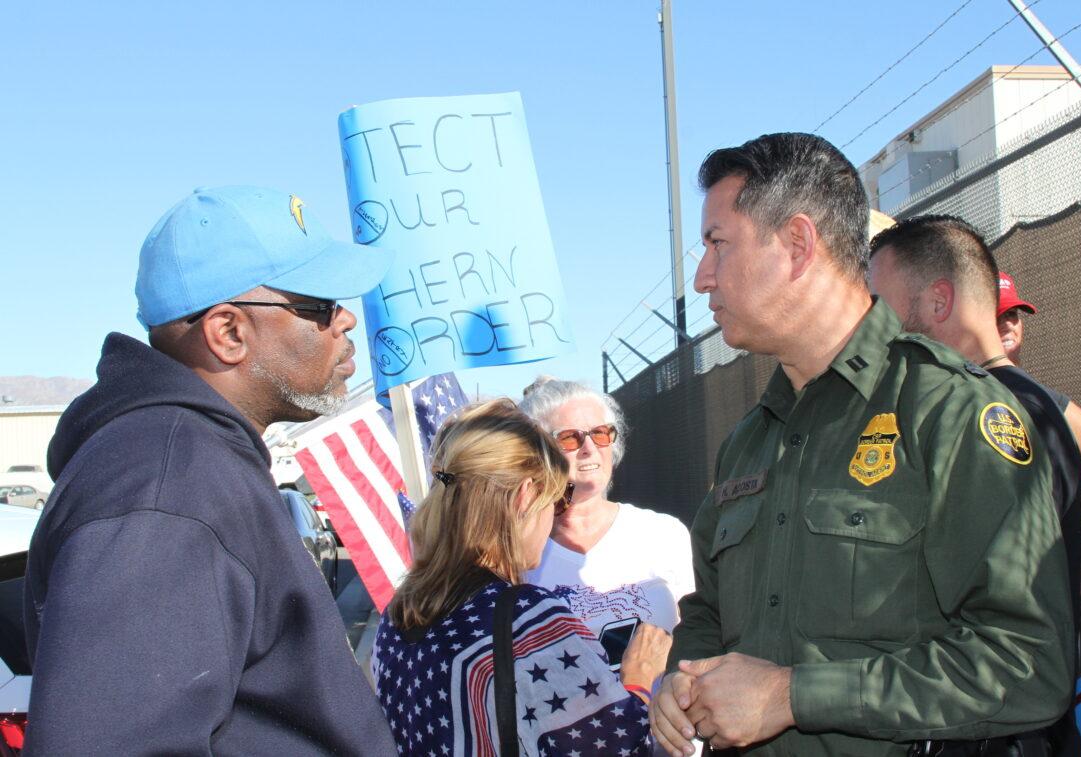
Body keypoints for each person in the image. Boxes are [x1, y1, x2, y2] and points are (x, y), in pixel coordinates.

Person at [650, 133, 1074, 757]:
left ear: (797, 245)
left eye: (717, 244)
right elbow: (710, 610)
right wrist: (679, 680)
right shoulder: (748, 442)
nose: (702, 275)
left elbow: (1029, 663)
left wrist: (793, 696)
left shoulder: (949, 410)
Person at [22, 186, 396, 753]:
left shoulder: (192, 460)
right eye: (319, 305)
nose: (344, 319)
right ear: (228, 332)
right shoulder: (166, 482)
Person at [866, 215, 1081, 756]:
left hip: (999, 725)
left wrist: (1053, 557)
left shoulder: (993, 405)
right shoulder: (1012, 398)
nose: (874, 327)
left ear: (938, 303)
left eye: (882, 307)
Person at [374, 398, 667, 755]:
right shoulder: (526, 620)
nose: (555, 517)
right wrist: (639, 681)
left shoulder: (398, 613)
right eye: (558, 500)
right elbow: (617, 747)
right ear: (526, 496)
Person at [519, 379, 694, 670]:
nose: (589, 447)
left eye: (600, 434)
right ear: (536, 452)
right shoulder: (517, 551)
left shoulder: (664, 534)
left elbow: (695, 635)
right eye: (569, 438)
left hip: (662, 713)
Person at [996, 271, 1081, 582]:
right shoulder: (986, 393)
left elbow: (1058, 481)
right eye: (996, 314)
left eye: (1013, 314)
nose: (1007, 323)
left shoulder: (1029, 391)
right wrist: (1059, 562)